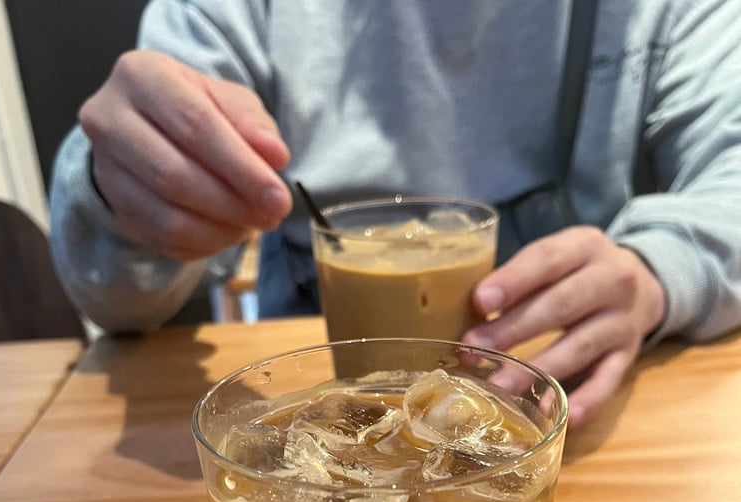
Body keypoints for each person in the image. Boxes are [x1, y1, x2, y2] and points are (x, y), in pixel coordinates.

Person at [49, 0, 741, 427]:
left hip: (557, 425)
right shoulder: (238, 12)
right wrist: (122, 193)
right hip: (325, 423)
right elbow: (116, 295)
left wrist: (657, 270)